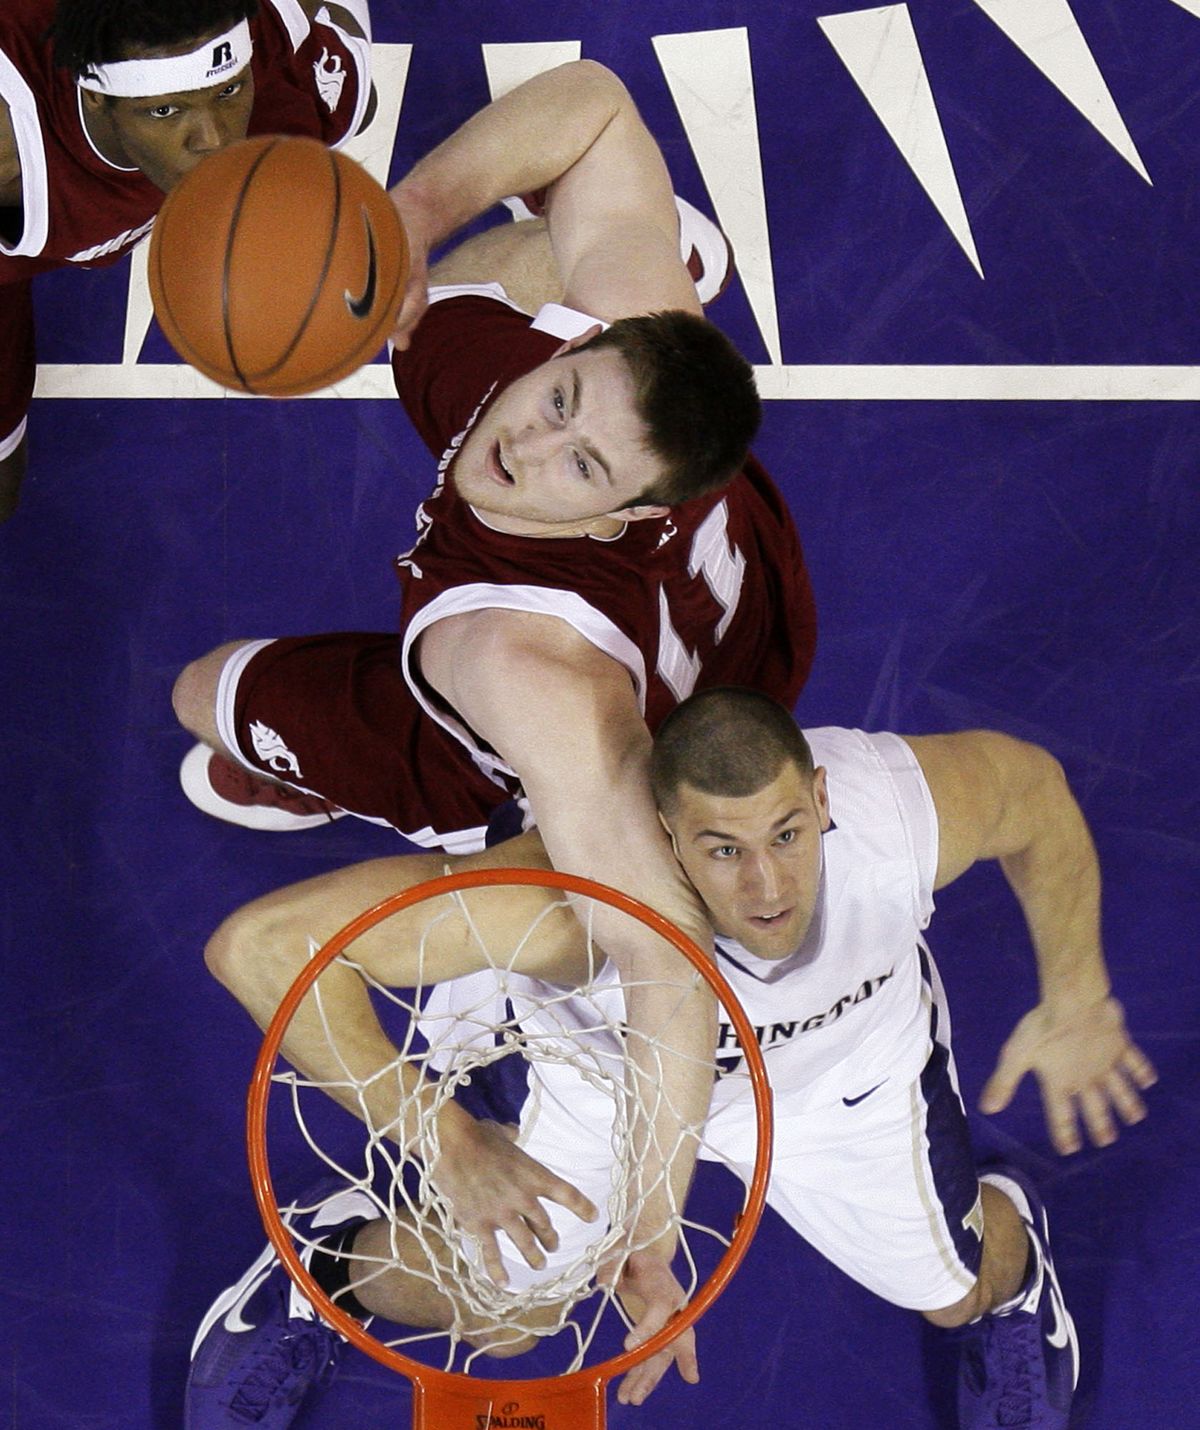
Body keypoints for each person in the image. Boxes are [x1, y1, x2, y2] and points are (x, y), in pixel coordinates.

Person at [171, 61, 818, 1300]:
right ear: (592, 342)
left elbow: (665, 966)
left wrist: (648, 1221)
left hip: (523, 744)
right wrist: (400, 226)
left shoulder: (529, 679)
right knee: (495, 281)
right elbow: (593, 102)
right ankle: (516, 265)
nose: (525, 444)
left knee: (203, 699)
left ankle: (350, 785)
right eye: (559, 396)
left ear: (624, 510)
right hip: (739, 615)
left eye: (579, 467)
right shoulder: (630, 336)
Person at [185, 688, 1156, 1428]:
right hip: (602, 1092)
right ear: (661, 834)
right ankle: (321, 1261)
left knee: (955, 1290)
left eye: (786, 831)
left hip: (843, 1079)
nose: (768, 885)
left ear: (820, 796)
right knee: (507, 1311)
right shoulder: (563, 906)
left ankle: (1010, 1267)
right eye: (722, 848)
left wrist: (1078, 993)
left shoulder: (893, 813)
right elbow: (260, 946)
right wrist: (443, 1138)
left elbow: (1033, 793)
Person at [0, 0, 374, 519]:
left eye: (228, 92)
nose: (214, 139)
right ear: (95, 98)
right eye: (164, 111)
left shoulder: (290, 69)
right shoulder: (12, 150)